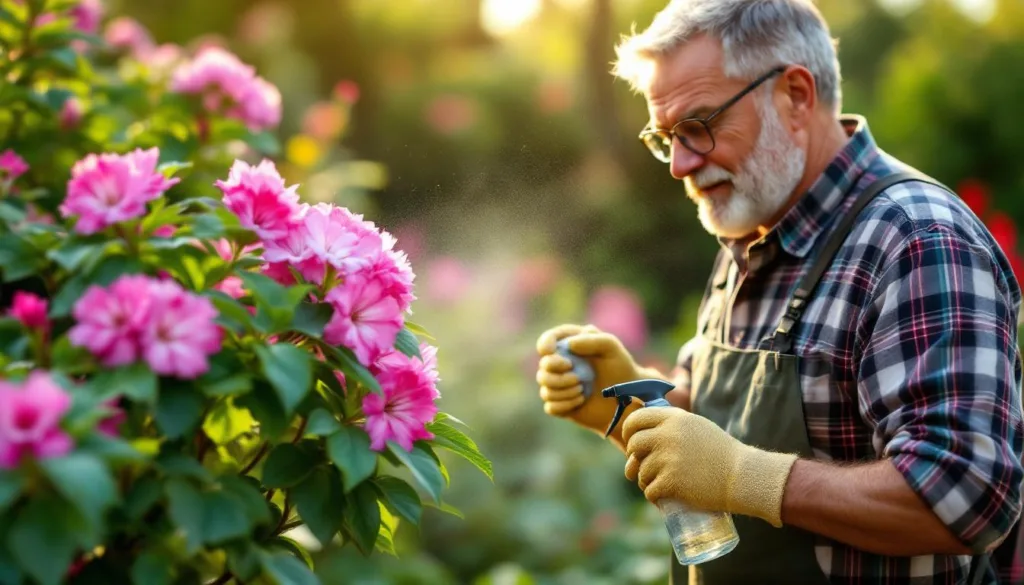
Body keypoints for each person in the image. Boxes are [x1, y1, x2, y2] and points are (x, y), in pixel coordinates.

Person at [533, 0, 1024, 583]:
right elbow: (726, 436)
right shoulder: (753, 225)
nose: (680, 165)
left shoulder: (915, 238)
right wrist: (628, 408)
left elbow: (966, 494)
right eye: (666, 137)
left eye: (699, 126)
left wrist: (747, 478)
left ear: (795, 95)